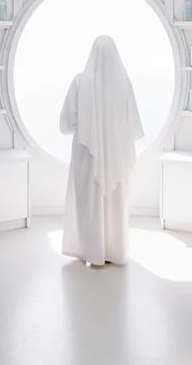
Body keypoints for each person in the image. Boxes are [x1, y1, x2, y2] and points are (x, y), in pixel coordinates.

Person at [59, 35, 143, 266]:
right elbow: (133, 124)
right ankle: (115, 251)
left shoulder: (79, 82)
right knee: (115, 202)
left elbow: (66, 123)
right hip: (116, 152)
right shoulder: (124, 83)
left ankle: (89, 250)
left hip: (87, 154)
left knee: (87, 201)